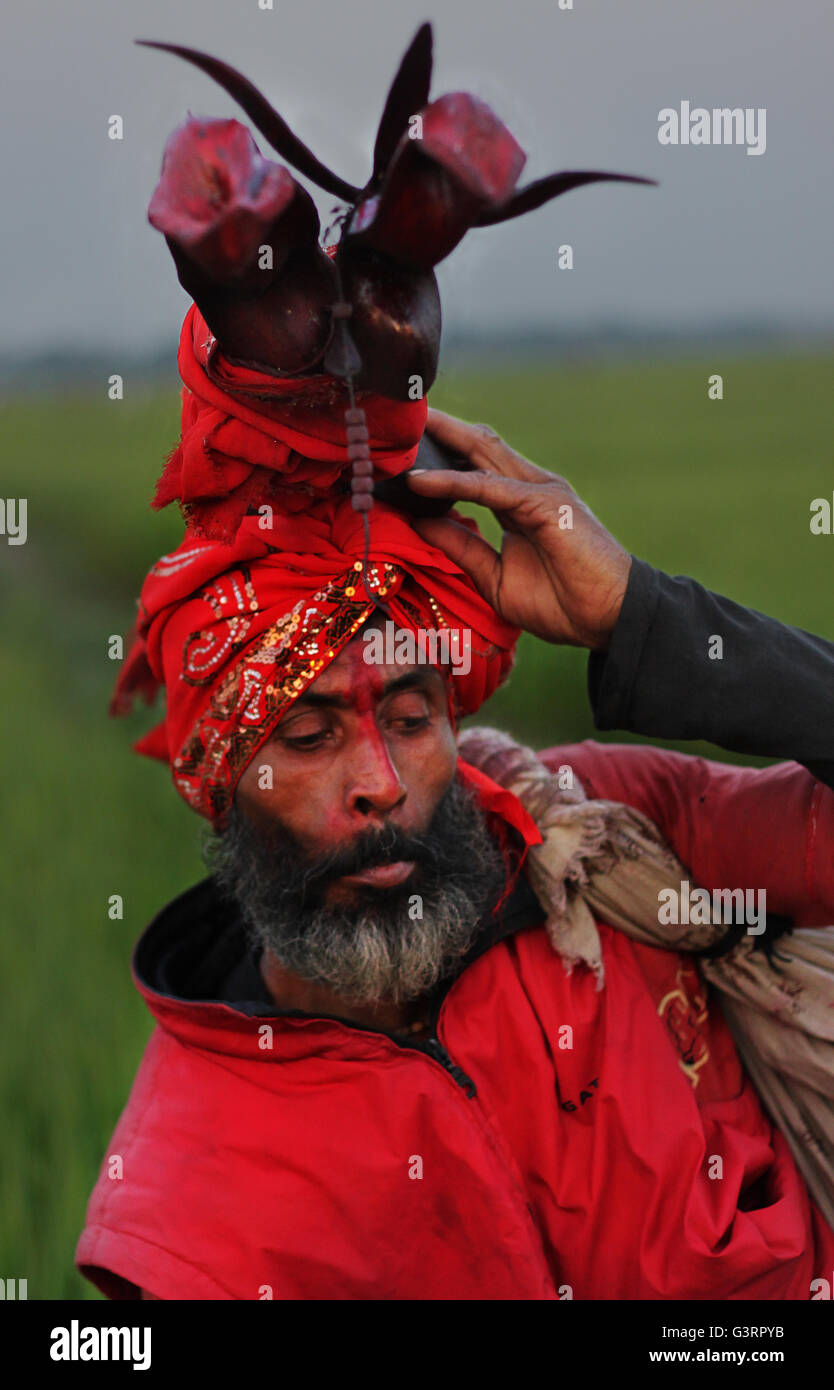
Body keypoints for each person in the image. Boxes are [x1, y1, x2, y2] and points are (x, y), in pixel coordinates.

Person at [75, 405, 834, 1302]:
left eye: (409, 718)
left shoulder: (606, 834)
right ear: (222, 783)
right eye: (311, 737)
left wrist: (644, 620)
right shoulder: (183, 1221)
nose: (383, 781)